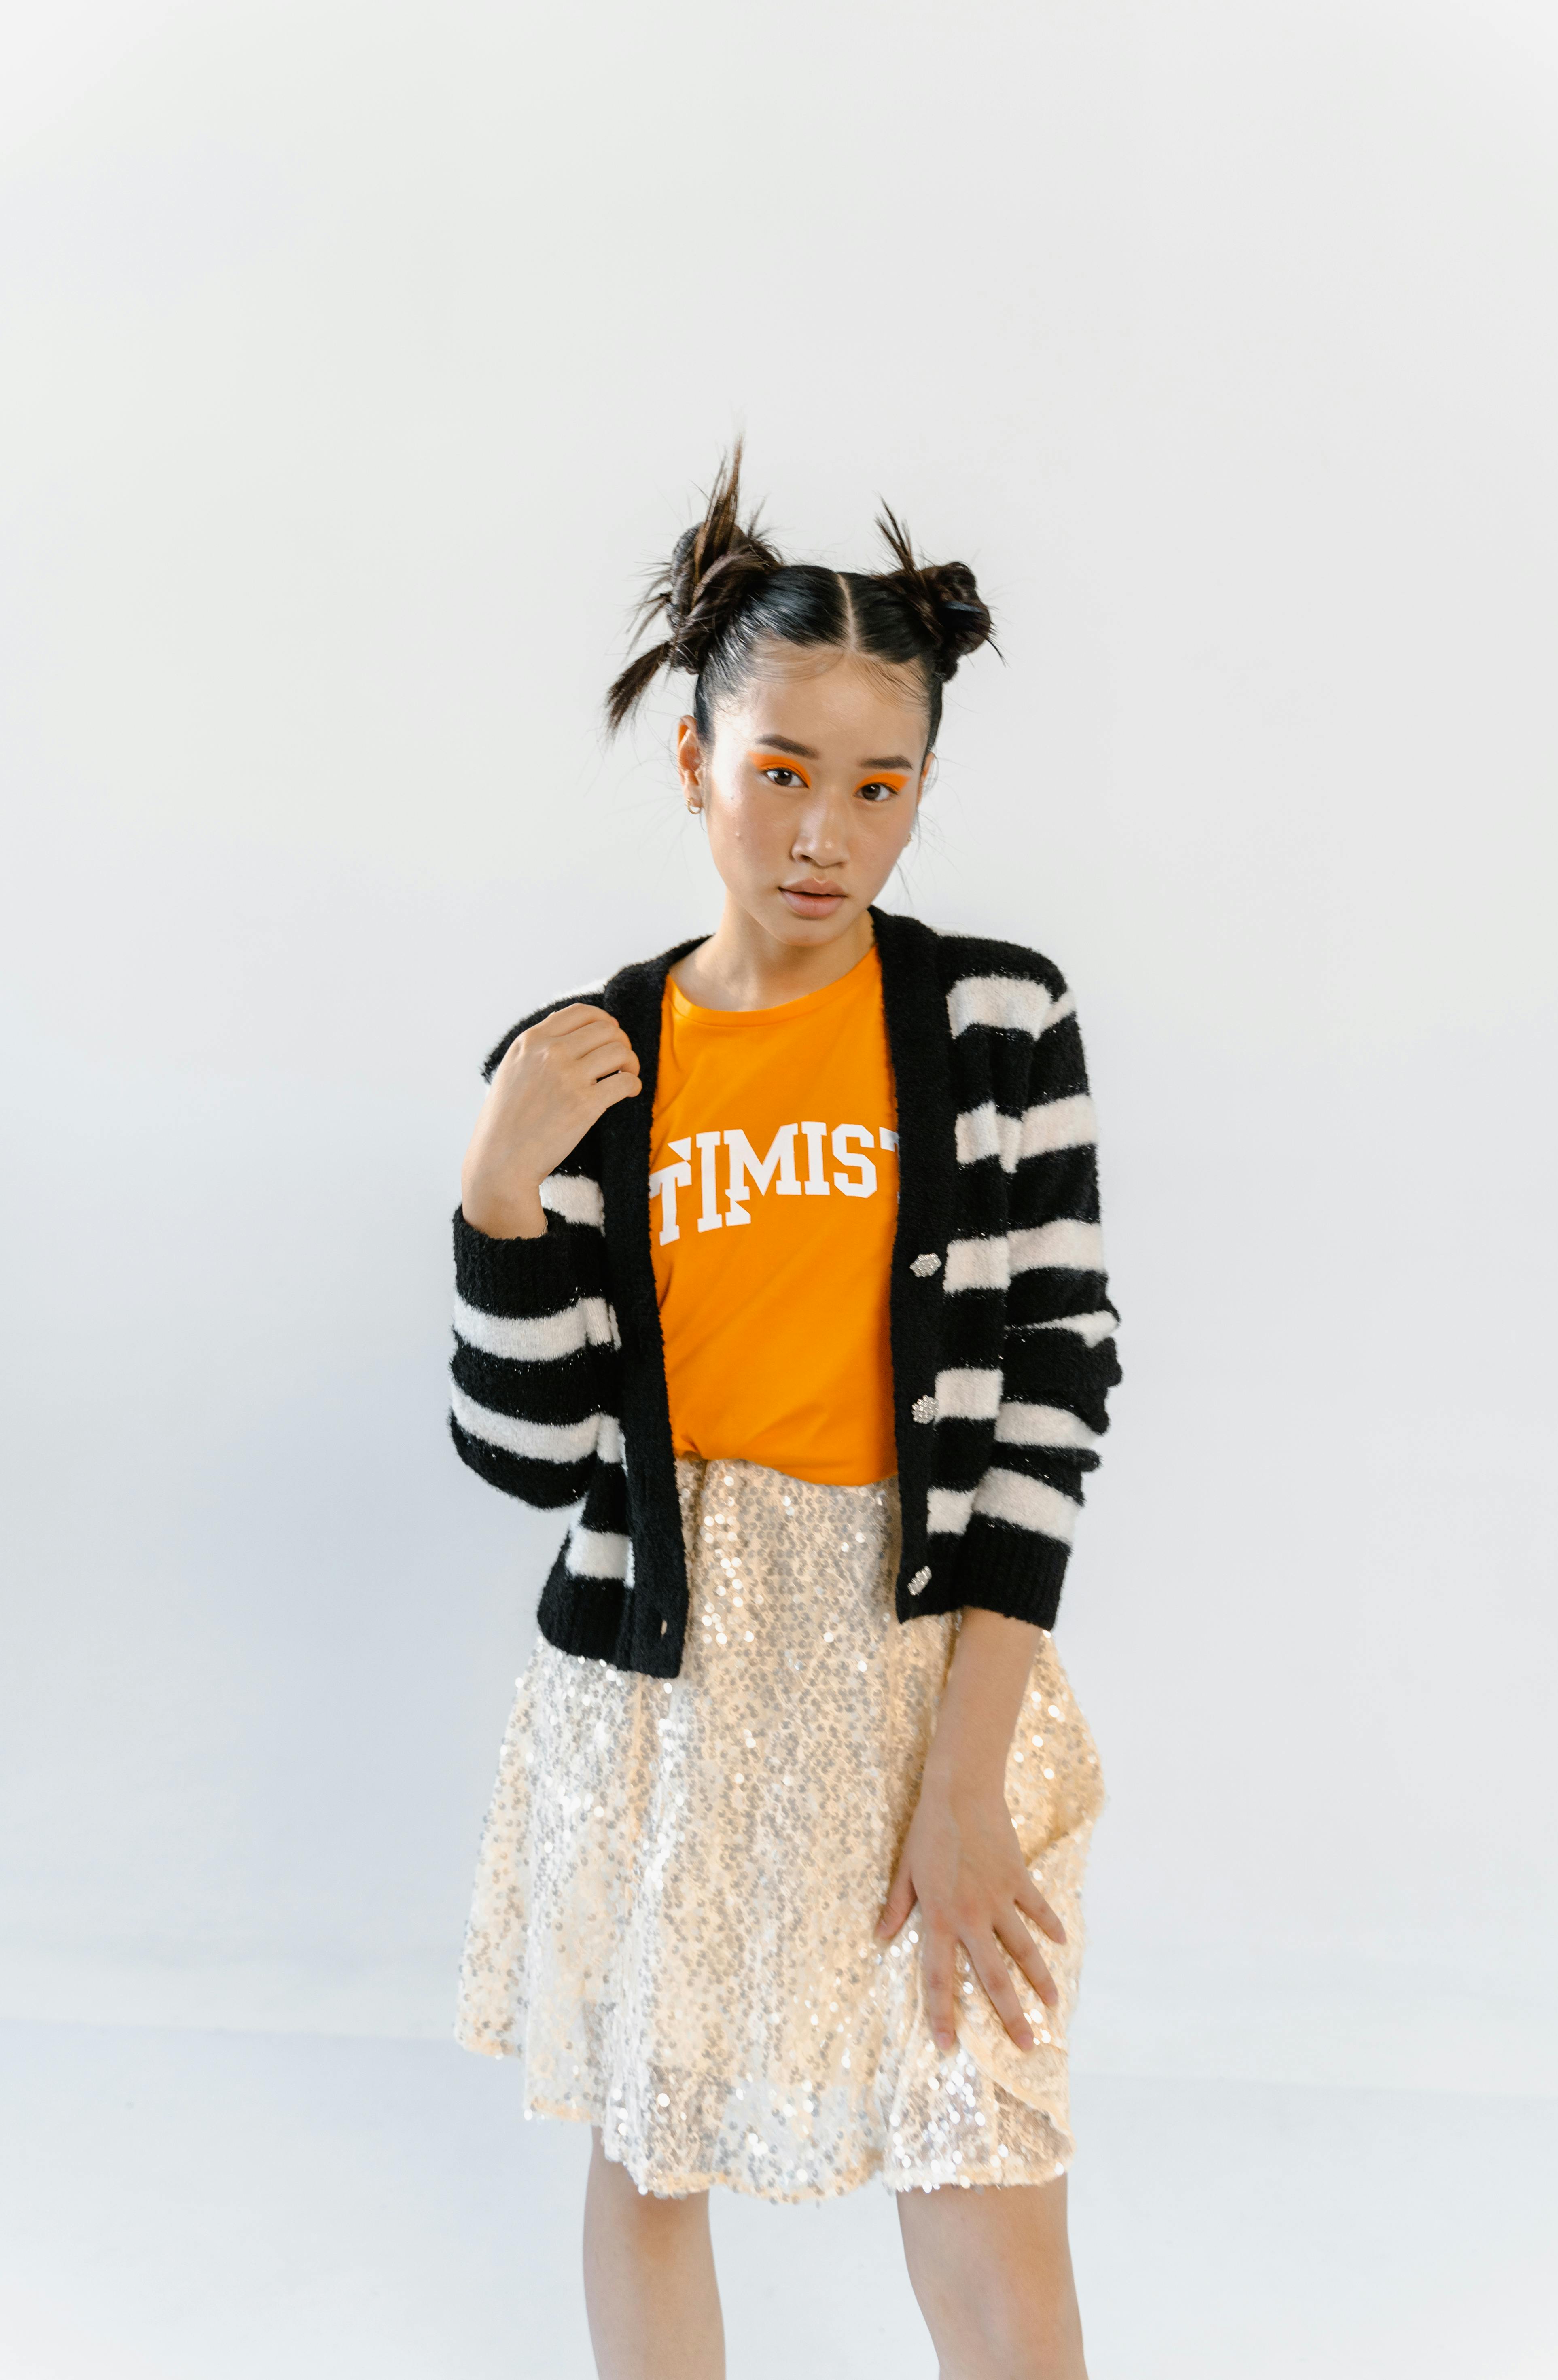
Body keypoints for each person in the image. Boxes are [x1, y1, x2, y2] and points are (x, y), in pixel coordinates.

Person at [448, 448, 1121, 2380]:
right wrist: (501, 1197)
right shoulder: (592, 1061)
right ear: (693, 763)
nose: (827, 831)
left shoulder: (997, 1025)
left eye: (880, 785)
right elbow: (526, 1447)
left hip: (924, 1658)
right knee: (656, 2157)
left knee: (980, 2150)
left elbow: (1054, 1387)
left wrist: (966, 1765)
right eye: (780, 773)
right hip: (665, 1684)